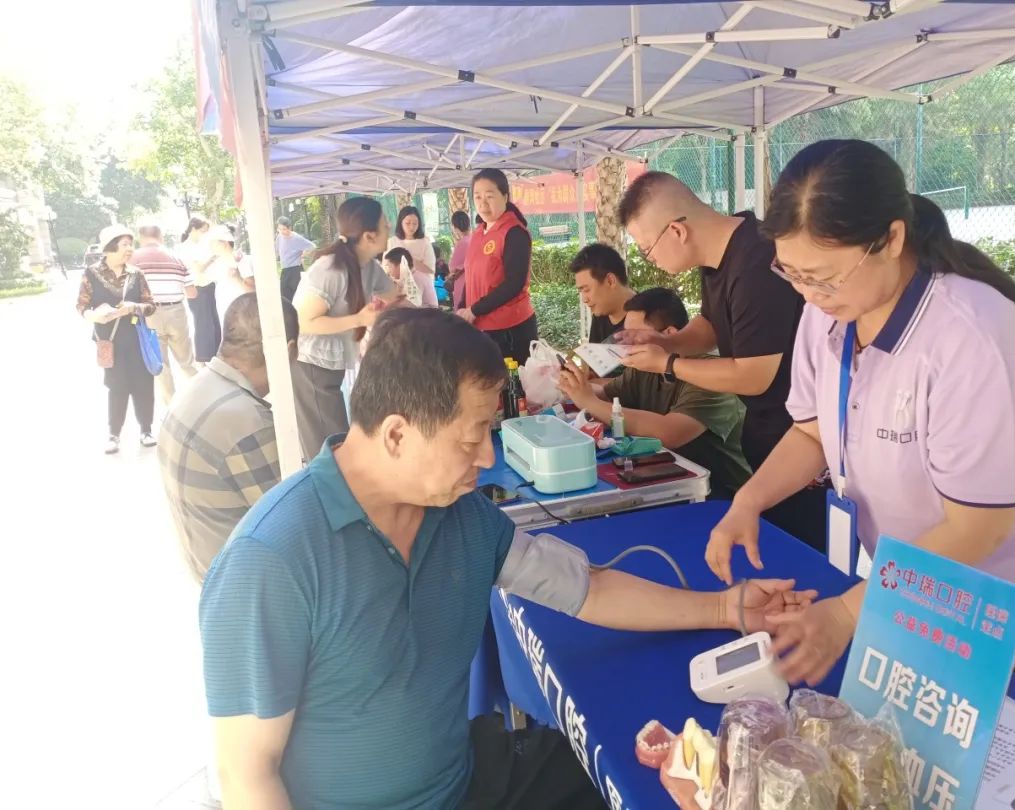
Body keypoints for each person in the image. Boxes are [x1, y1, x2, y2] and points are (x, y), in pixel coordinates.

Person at [200, 307, 815, 810]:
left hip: (464, 781)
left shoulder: (459, 516)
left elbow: (588, 588)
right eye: (472, 437)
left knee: (634, 778)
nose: (487, 457)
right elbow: (246, 774)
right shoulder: (272, 561)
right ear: (396, 434)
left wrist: (727, 607)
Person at [704, 139, 1015, 711]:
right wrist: (748, 501)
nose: (809, 294)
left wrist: (848, 612)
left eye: (825, 276)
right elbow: (811, 433)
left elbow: (979, 527)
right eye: (792, 273)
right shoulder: (826, 316)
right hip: (918, 598)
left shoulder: (972, 334)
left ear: (892, 239)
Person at [616, 171, 826, 553]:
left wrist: (668, 363)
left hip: (801, 439)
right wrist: (664, 340)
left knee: (803, 552)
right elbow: (711, 325)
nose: (651, 259)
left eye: (647, 249)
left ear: (677, 231)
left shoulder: (758, 264)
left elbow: (754, 375)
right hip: (767, 431)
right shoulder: (719, 255)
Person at [559, 287, 752, 500]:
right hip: (668, 480)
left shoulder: (712, 373)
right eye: (625, 335)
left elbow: (670, 432)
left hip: (720, 495)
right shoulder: (646, 364)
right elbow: (606, 393)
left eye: (635, 335)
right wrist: (572, 385)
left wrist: (589, 402)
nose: (626, 345)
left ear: (669, 334)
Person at [159, 293, 300, 582]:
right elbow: (298, 524)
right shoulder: (247, 423)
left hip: (206, 567)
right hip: (242, 585)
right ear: (287, 351)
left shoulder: (195, 388)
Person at [292, 196, 399, 461]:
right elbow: (303, 322)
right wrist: (359, 320)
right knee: (330, 449)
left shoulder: (369, 266)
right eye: (385, 224)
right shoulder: (330, 270)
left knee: (339, 441)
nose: (390, 228)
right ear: (369, 236)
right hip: (310, 366)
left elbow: (393, 295)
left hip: (333, 366)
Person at [76, 224, 158, 454]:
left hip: (137, 339)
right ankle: (114, 434)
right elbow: (81, 306)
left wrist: (134, 307)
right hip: (108, 341)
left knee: (144, 384)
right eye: (124, 245)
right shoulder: (91, 273)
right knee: (116, 386)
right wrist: (95, 316)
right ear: (110, 247)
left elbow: (151, 305)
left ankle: (146, 430)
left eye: (131, 244)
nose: (130, 249)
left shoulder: (136, 274)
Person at [458, 168, 538, 365]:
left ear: (505, 196)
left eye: (489, 196)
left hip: (510, 330)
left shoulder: (514, 232)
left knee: (512, 382)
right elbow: (470, 275)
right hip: (481, 326)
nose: (483, 203)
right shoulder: (479, 232)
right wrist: (462, 308)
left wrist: (474, 310)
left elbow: (514, 283)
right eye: (477, 197)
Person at [131, 223, 198, 405]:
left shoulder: (133, 259)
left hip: (149, 314)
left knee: (160, 364)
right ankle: (200, 398)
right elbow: (192, 293)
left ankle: (171, 405)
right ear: (160, 237)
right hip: (176, 312)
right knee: (187, 361)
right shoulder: (177, 258)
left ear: (140, 238)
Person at [572, 242, 635, 344]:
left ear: (610, 281)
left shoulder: (647, 318)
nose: (584, 299)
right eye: (581, 291)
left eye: (586, 290)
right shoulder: (600, 314)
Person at [177, 215, 220, 364]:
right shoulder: (186, 247)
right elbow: (199, 268)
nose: (205, 234)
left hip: (208, 285)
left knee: (213, 322)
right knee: (203, 324)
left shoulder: (200, 245)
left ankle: (215, 354)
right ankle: (204, 357)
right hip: (197, 288)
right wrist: (213, 258)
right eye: (203, 231)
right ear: (194, 229)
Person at [205, 224, 256, 326]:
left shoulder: (243, 261)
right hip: (226, 318)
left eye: (213, 243)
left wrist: (237, 278)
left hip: (244, 317)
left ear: (224, 243)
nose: (210, 247)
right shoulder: (217, 265)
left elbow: (252, 292)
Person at [387, 205, 437, 276]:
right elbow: (386, 267)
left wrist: (409, 260)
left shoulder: (424, 242)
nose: (412, 227)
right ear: (401, 222)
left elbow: (431, 270)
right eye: (408, 223)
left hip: (420, 281)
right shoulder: (392, 242)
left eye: (415, 223)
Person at [276, 217, 316, 304]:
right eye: (279, 229)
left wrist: (303, 254)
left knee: (297, 297)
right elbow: (278, 251)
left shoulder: (297, 238)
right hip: (285, 270)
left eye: (284, 229)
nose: (282, 231)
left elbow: (312, 246)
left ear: (290, 228)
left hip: (295, 269)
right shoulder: (279, 237)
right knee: (284, 296)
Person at [449, 209, 472, 309]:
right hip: (473, 282)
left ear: (454, 227)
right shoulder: (474, 239)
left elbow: (452, 268)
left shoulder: (462, 243)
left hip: (463, 283)